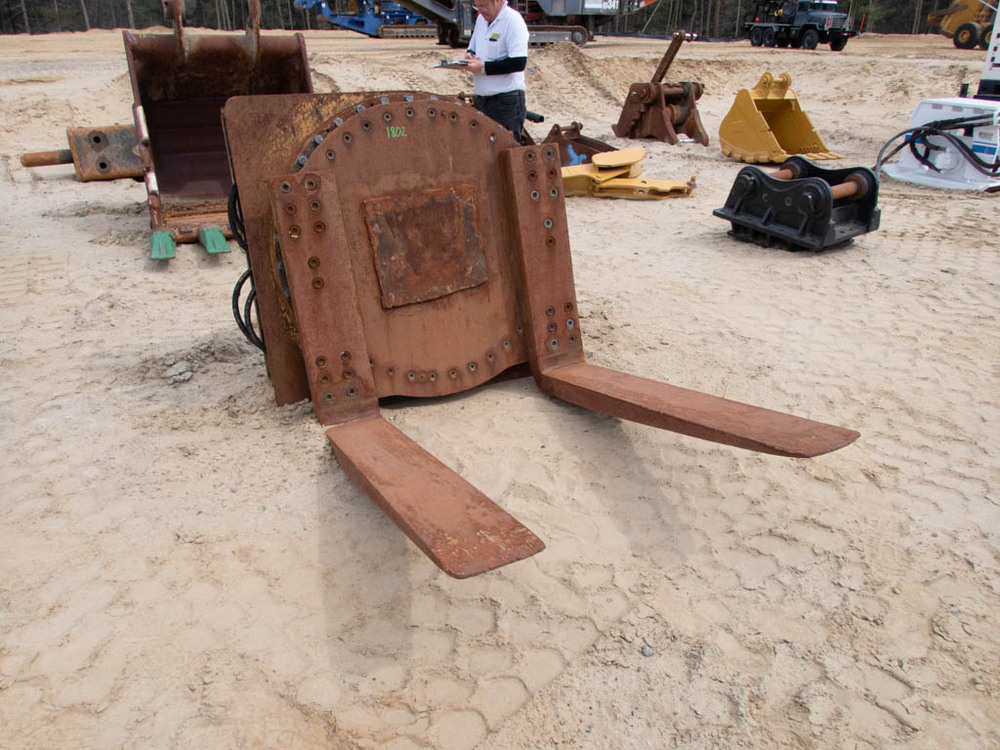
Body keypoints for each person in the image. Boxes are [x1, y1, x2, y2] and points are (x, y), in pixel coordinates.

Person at [464, 0, 529, 143]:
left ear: (497, 1)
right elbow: (473, 48)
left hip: (506, 102)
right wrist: (470, 55)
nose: (480, 11)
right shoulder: (481, 20)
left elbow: (518, 63)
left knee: (505, 149)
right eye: (477, 7)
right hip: (482, 100)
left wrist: (483, 67)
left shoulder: (513, 21)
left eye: (484, 6)